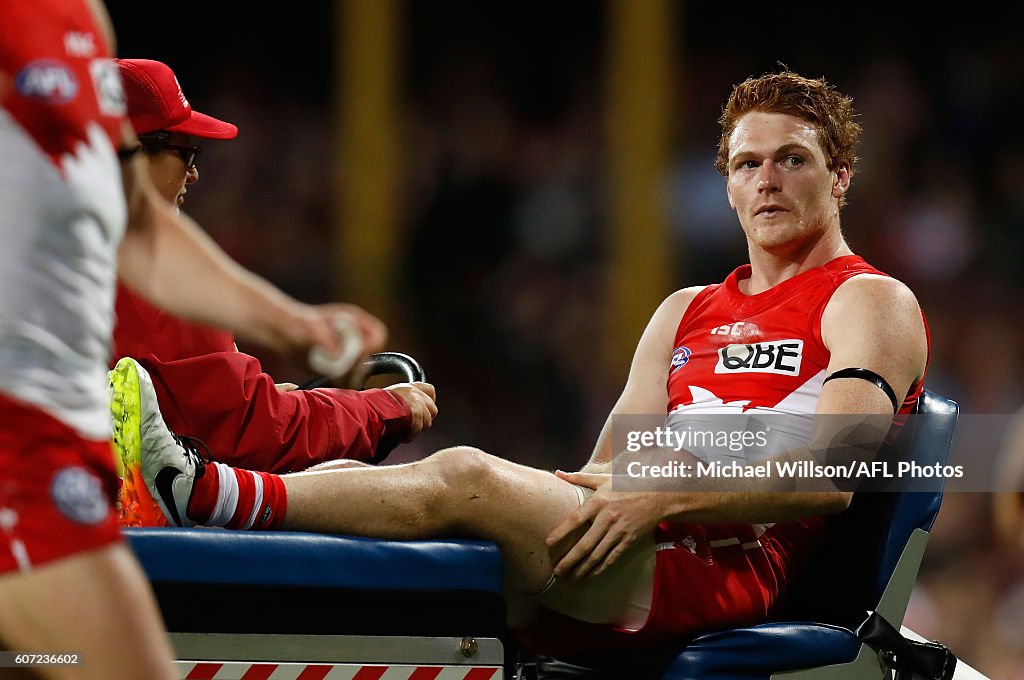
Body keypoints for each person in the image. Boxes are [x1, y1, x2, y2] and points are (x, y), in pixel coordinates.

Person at [124, 70, 930, 654]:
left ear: (841, 176)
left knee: (464, 476)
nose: (768, 180)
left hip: (731, 568)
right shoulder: (685, 311)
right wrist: (576, 489)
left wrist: (659, 496)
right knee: (427, 530)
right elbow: (605, 470)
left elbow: (830, 476)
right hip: (644, 544)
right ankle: (210, 512)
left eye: (794, 159)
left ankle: (210, 496)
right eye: (748, 163)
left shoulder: (869, 300)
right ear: (724, 185)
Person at [0, 1, 385, 677]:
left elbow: (143, 231)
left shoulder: (80, 22)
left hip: (52, 464)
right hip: (22, 458)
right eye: (188, 154)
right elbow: (248, 424)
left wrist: (296, 325)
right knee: (466, 478)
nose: (197, 173)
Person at [110, 58, 437, 525]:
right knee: (448, 483)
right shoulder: (149, 274)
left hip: (57, 510)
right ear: (130, 153)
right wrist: (384, 409)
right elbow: (255, 435)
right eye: (187, 152)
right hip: (121, 540)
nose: (195, 175)